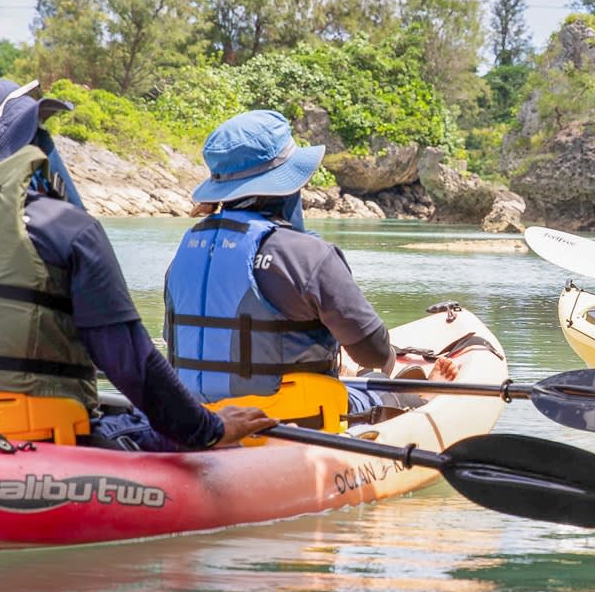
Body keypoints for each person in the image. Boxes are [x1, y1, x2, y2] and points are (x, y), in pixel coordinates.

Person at [0, 78, 269, 450]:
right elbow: (131, 365)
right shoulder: (68, 228)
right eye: (38, 129)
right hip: (45, 441)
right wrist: (208, 429)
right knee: (151, 421)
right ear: (24, 142)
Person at [162, 109, 453, 415]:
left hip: (196, 415)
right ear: (288, 183)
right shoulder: (307, 254)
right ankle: (425, 392)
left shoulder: (185, 253)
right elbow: (375, 353)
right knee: (389, 392)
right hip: (284, 419)